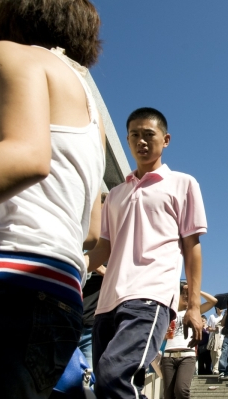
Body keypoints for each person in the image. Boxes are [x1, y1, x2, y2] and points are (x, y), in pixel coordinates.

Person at [0, 0, 104, 397]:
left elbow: (25, 155)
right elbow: (91, 232)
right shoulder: (91, 118)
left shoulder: (10, 53)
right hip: (59, 297)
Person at [85, 107, 208, 398]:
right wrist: (74, 266)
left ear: (165, 140)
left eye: (148, 135)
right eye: (134, 135)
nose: (141, 141)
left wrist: (192, 305)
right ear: (127, 140)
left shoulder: (183, 183)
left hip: (150, 297)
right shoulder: (115, 194)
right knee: (106, 385)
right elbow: (104, 247)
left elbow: (192, 247)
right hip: (106, 303)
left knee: (115, 375)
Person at [162, 282, 217, 399]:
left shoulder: (194, 312)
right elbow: (160, 335)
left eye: (189, 294)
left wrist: (195, 290)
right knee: (168, 395)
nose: (187, 296)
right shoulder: (168, 313)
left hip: (187, 355)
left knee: (182, 390)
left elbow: (213, 301)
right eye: (183, 294)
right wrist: (164, 335)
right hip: (168, 355)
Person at [79, 193, 109, 369]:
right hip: (70, 317)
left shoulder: (113, 249)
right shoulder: (82, 239)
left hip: (93, 326)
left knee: (88, 380)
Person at [207, 306, 224, 374]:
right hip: (213, 337)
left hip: (221, 337)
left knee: (218, 353)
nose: (220, 309)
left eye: (221, 308)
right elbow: (208, 328)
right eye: (219, 307)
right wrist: (215, 329)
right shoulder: (212, 316)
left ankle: (216, 369)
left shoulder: (223, 317)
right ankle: (214, 369)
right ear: (216, 308)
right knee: (213, 354)